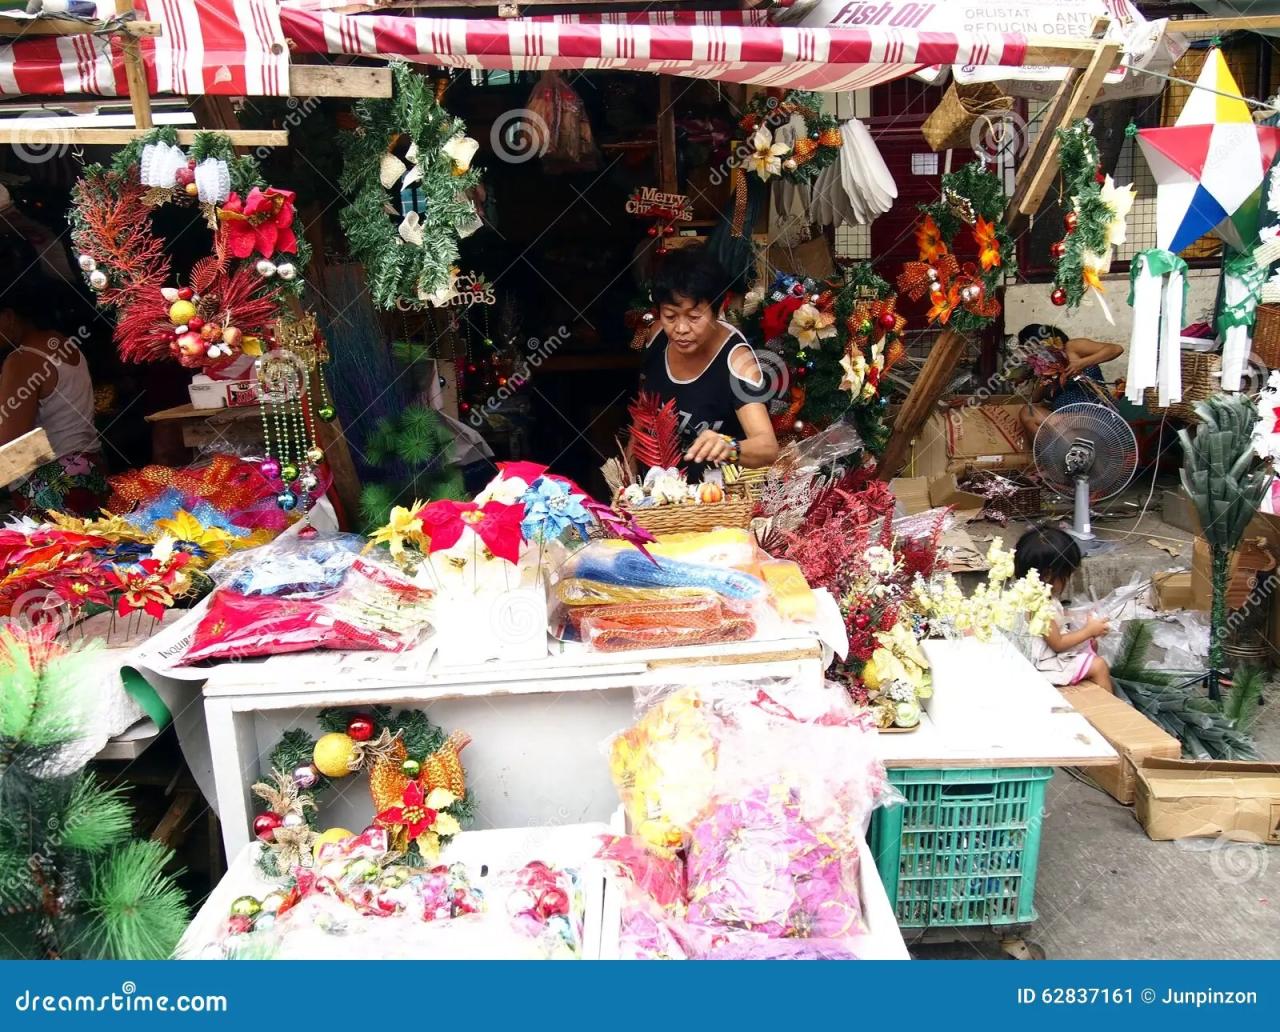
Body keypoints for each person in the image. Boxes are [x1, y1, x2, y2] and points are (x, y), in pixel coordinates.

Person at [638, 248, 779, 479]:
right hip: (656, 501)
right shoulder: (656, 340)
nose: (681, 329)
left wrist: (729, 446)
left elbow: (767, 447)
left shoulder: (737, 362)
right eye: (670, 316)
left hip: (715, 502)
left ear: (717, 310)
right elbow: (642, 417)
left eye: (694, 317)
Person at [0, 258, 107, 517]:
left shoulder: (22, 360)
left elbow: (14, 448)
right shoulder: (61, 343)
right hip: (90, 470)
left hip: (54, 484)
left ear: (8, 317)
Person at [1013, 525, 1113, 692]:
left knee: (1091, 645)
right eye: (1066, 575)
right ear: (1048, 575)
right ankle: (1114, 712)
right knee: (1099, 666)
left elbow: (1054, 621)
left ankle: (1090, 692)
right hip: (1042, 664)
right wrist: (1089, 630)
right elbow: (1057, 644)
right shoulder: (1038, 605)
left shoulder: (1031, 593)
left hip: (1045, 653)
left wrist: (1073, 615)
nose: (1068, 581)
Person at [1015, 324, 1124, 440]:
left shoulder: (1072, 347)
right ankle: (1048, 452)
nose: (1033, 352)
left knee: (1060, 427)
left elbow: (1116, 349)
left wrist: (1082, 363)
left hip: (1093, 415)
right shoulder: (1043, 366)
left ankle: (1060, 450)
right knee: (1027, 412)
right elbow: (1035, 399)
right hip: (1062, 417)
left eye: (1034, 347)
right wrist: (1044, 376)